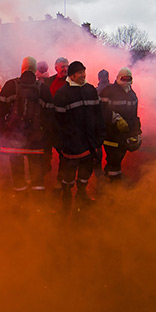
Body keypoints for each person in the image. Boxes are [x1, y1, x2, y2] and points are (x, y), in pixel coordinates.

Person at [0, 56, 54, 200]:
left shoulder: (10, 85)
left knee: (17, 172)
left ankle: (20, 201)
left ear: (22, 68)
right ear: (35, 70)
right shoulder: (43, 88)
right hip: (35, 140)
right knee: (36, 173)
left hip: (13, 139)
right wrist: (46, 139)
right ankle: (38, 204)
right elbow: (49, 117)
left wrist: (3, 131)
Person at [53, 60, 106, 211]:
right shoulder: (62, 94)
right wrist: (61, 144)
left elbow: (99, 114)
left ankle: (81, 194)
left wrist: (100, 135)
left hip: (89, 142)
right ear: (72, 75)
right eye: (80, 72)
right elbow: (57, 122)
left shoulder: (90, 90)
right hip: (71, 145)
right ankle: (67, 195)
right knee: (68, 174)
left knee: (86, 170)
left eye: (84, 71)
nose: (83, 75)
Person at [99, 67, 142, 183]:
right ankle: (114, 184)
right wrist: (116, 119)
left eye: (129, 79)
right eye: (124, 78)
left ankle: (109, 177)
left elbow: (134, 116)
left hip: (124, 134)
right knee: (114, 158)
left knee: (117, 158)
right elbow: (101, 110)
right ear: (118, 78)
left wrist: (136, 132)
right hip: (110, 134)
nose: (126, 81)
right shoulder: (109, 91)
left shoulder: (132, 94)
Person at [43, 57, 69, 174]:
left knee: (64, 153)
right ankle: (45, 171)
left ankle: (60, 179)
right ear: (56, 68)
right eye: (62, 66)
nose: (65, 69)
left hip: (64, 125)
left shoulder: (71, 83)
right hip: (49, 123)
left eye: (67, 66)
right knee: (45, 150)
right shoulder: (48, 82)